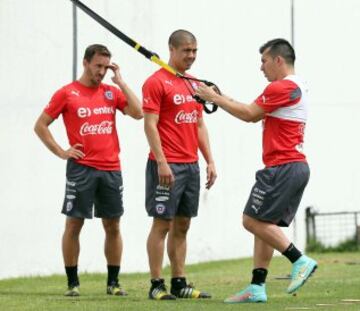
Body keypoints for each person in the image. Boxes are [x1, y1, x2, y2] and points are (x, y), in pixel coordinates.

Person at [195, 38, 317, 303]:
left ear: (278, 60)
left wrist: (214, 98)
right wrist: (220, 95)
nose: (260, 68)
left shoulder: (281, 86)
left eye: (263, 61)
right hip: (292, 166)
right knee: (263, 224)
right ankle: (257, 287)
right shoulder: (295, 86)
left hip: (283, 166)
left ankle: (300, 260)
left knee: (251, 221)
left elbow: (250, 114)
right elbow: (254, 109)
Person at [34, 44, 143, 297]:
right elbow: (40, 125)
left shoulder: (111, 92)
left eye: (106, 67)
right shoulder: (67, 93)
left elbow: (138, 113)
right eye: (98, 66)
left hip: (111, 168)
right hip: (81, 169)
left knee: (113, 226)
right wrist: (62, 151)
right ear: (85, 63)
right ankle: (73, 284)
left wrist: (122, 82)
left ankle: (113, 283)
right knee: (74, 224)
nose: (102, 72)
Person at [142, 29, 217, 300]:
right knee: (162, 223)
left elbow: (199, 124)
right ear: (171, 50)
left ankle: (179, 282)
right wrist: (161, 162)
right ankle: (156, 284)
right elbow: (149, 125)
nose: (191, 56)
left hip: (191, 165)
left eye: (195, 50)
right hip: (166, 165)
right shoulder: (155, 82)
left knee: (183, 225)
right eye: (186, 50)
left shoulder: (194, 83)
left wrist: (209, 160)